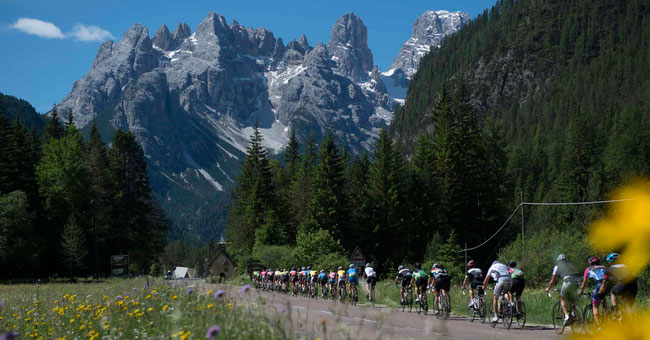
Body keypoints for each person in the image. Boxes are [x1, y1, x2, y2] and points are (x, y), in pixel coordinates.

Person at [546, 254, 582, 326]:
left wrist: (548, 288)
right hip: (578, 281)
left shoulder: (557, 267)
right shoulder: (571, 264)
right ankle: (573, 313)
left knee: (562, 298)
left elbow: (553, 280)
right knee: (571, 297)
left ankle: (566, 316)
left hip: (568, 281)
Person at [579, 256, 609, 326]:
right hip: (608, 284)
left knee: (595, 305)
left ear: (589, 263)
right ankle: (607, 318)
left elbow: (584, 283)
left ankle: (599, 325)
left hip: (599, 284)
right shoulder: (604, 267)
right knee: (603, 300)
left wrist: (581, 291)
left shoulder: (588, 269)